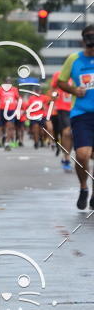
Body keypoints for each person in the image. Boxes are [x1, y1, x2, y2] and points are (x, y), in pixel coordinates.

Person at [57, 24, 94, 209]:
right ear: (83, 40)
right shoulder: (74, 59)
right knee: (82, 155)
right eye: (88, 37)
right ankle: (83, 188)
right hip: (81, 114)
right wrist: (73, 89)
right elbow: (61, 82)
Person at [49, 69, 73, 170]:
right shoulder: (58, 74)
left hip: (76, 107)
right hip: (63, 108)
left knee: (72, 133)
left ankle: (66, 156)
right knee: (67, 132)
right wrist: (54, 98)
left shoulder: (78, 73)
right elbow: (52, 89)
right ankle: (66, 158)